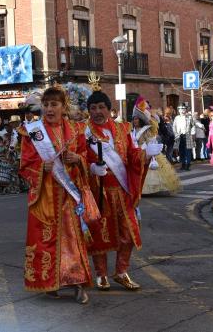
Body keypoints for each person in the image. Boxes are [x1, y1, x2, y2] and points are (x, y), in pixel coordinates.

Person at [19, 86, 95, 304]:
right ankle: (49, 283)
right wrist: (41, 168)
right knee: (46, 240)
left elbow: (85, 159)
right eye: (46, 104)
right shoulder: (32, 131)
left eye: (54, 104)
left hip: (69, 195)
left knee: (72, 240)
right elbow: (25, 165)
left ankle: (78, 284)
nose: (49, 109)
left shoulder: (75, 130)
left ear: (64, 107)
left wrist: (77, 159)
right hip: (45, 196)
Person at [85, 86, 153, 292]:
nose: (98, 112)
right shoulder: (83, 132)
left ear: (109, 109)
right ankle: (102, 275)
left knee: (129, 233)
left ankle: (121, 272)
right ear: (89, 110)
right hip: (99, 192)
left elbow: (132, 155)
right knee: (100, 235)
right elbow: (77, 157)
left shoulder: (123, 129)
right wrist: (90, 168)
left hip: (123, 191)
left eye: (102, 107)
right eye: (93, 108)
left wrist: (145, 155)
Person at [130, 98, 180, 194]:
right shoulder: (132, 130)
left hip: (146, 152)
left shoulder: (146, 129)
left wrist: (148, 149)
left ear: (140, 120)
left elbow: (151, 140)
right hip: (137, 153)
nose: (135, 121)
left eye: (137, 119)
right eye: (134, 119)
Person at [173, 103, 194, 171]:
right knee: (181, 151)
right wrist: (176, 134)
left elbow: (193, 125)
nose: (182, 110)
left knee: (188, 151)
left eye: (183, 109)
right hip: (179, 136)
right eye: (180, 109)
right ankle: (183, 164)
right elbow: (174, 127)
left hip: (187, 135)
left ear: (185, 110)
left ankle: (187, 165)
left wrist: (193, 133)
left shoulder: (189, 117)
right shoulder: (177, 118)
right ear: (178, 110)